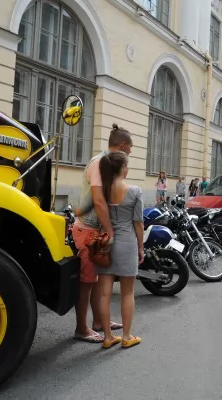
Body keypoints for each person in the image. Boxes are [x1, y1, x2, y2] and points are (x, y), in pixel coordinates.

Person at [71, 123, 133, 343]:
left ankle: (98, 322)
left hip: (94, 230)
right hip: (88, 230)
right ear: (123, 146)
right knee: (86, 282)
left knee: (96, 280)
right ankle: (81, 328)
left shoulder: (105, 164)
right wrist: (110, 230)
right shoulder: (99, 163)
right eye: (129, 152)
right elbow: (98, 200)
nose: (128, 157)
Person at [96, 150, 144, 349]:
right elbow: (138, 222)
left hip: (106, 244)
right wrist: (141, 247)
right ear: (123, 168)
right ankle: (126, 336)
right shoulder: (134, 191)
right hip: (127, 244)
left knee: (104, 294)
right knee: (127, 293)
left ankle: (107, 337)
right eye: (127, 165)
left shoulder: (103, 191)